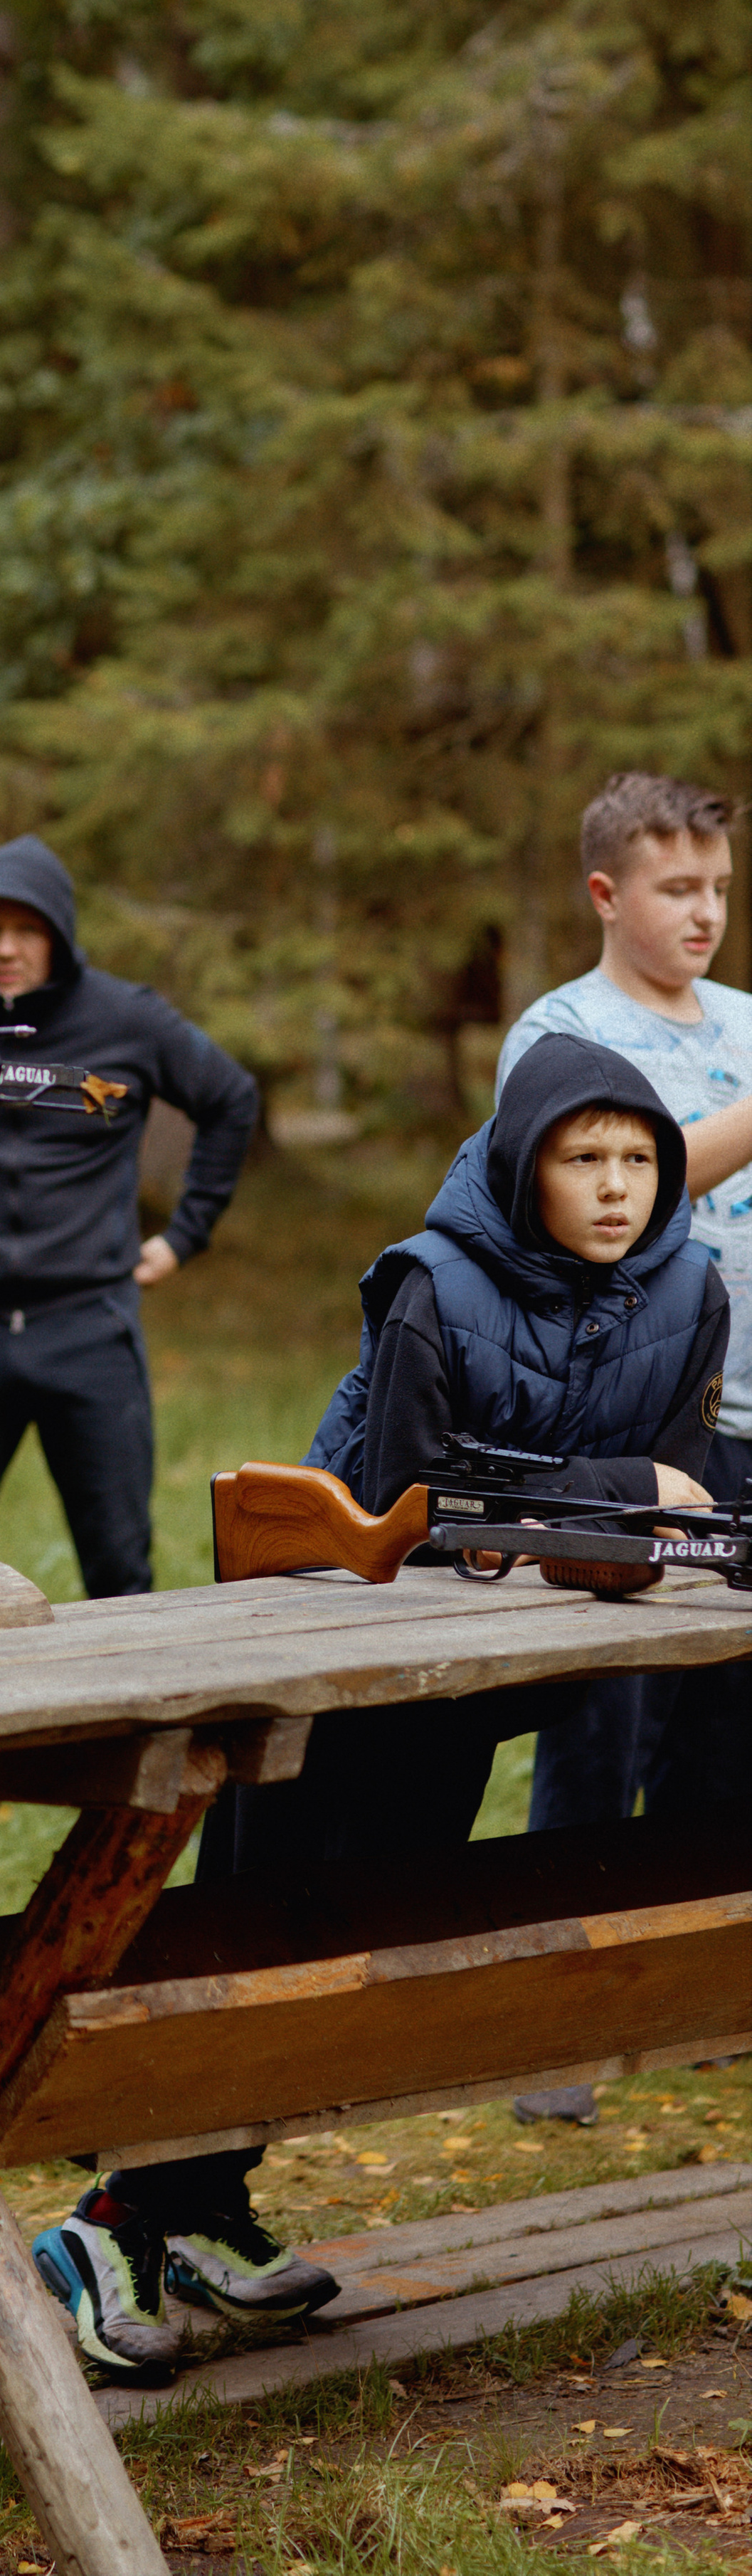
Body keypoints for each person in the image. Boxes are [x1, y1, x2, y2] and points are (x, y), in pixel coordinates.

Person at [33, 1034, 727, 2377]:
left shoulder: (691, 1287)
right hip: (328, 1642)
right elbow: (423, 1497)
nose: (614, 1186)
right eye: (583, 1157)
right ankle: (111, 2220)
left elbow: (677, 1504)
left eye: (638, 1158)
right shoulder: (433, 1280)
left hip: (477, 1667)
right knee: (260, 1931)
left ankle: (205, 2209)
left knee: (363, 1938)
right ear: (527, 1165)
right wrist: (617, 1494)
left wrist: (619, 1507)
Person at [0, 835, 258, 1597]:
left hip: (89, 1328)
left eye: (26, 930)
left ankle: (129, 1717)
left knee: (118, 1570)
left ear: (59, 934)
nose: (6, 949)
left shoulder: (125, 1020)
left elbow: (230, 1098)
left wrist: (183, 1236)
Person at [498, 774, 752, 1872]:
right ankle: (559, 1953)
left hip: (749, 1417)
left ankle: (687, 1996)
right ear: (606, 893)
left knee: (728, 1733)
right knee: (605, 1720)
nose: (706, 914)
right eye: (678, 888)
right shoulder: (561, 1033)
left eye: (723, 890)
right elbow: (630, 1198)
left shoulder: (749, 1023)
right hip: (625, 1439)